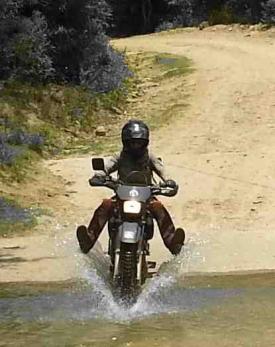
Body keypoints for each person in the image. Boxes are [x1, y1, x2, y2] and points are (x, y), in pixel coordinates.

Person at [76, 119, 185, 255]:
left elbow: (161, 169)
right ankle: (88, 239)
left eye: (139, 142)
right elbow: (106, 168)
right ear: (126, 142)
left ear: (145, 142)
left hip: (146, 195)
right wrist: (99, 176)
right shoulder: (120, 156)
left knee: (158, 207)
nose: (135, 145)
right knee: (106, 204)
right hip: (122, 194)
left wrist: (169, 181)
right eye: (132, 142)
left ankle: (173, 242)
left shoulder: (149, 156)